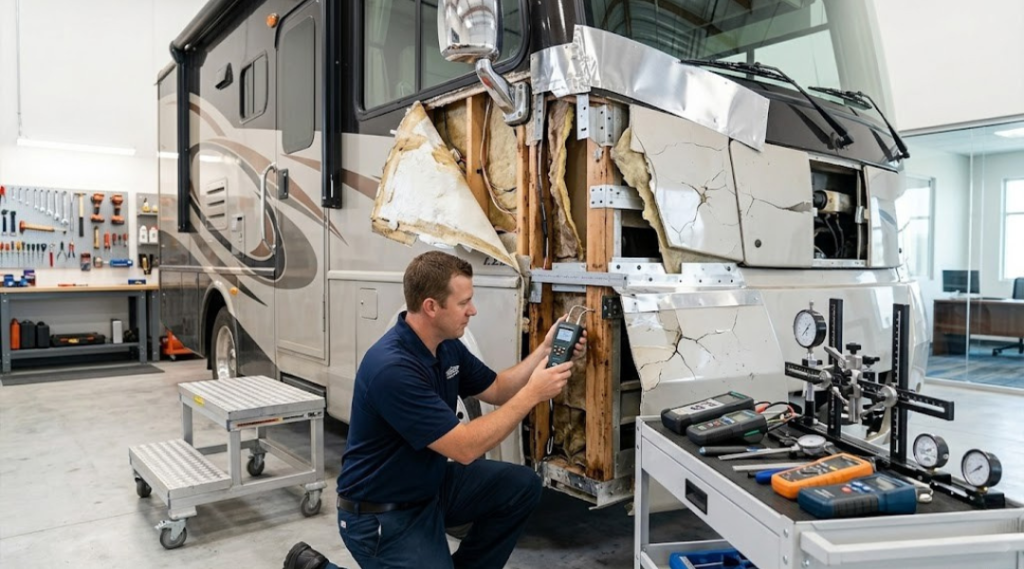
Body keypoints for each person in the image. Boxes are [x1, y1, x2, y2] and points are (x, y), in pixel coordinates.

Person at [284, 251, 584, 569]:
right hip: (381, 514)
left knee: (521, 486)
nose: (473, 310)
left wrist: (545, 351)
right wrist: (533, 394)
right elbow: (465, 447)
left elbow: (496, 388)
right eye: (463, 302)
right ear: (431, 307)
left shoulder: (445, 345)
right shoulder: (393, 368)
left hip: (429, 488)